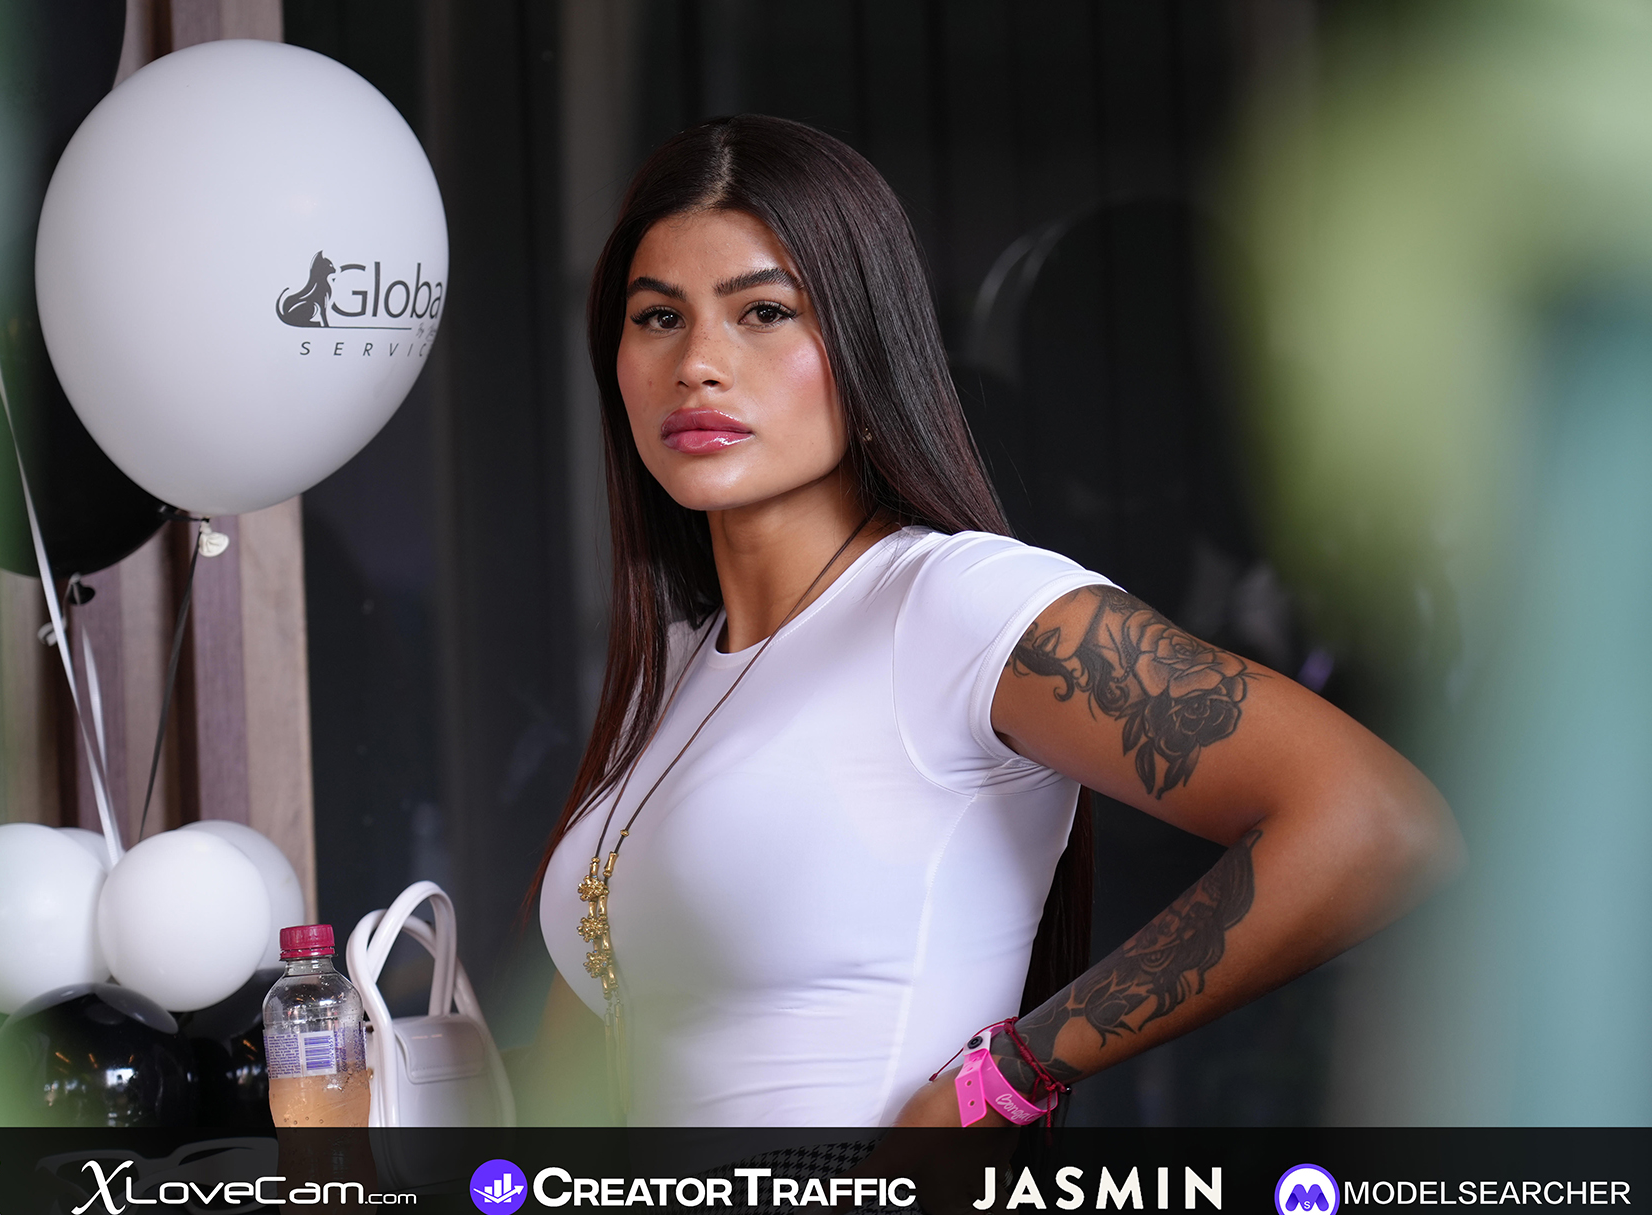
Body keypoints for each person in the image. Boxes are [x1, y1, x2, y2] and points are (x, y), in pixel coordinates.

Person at [525, 115, 1461, 1144]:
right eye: (659, 317)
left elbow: (1370, 821)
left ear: (868, 346)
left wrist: (1013, 1072)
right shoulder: (673, 668)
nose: (698, 362)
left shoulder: (954, 602)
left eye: (765, 312)